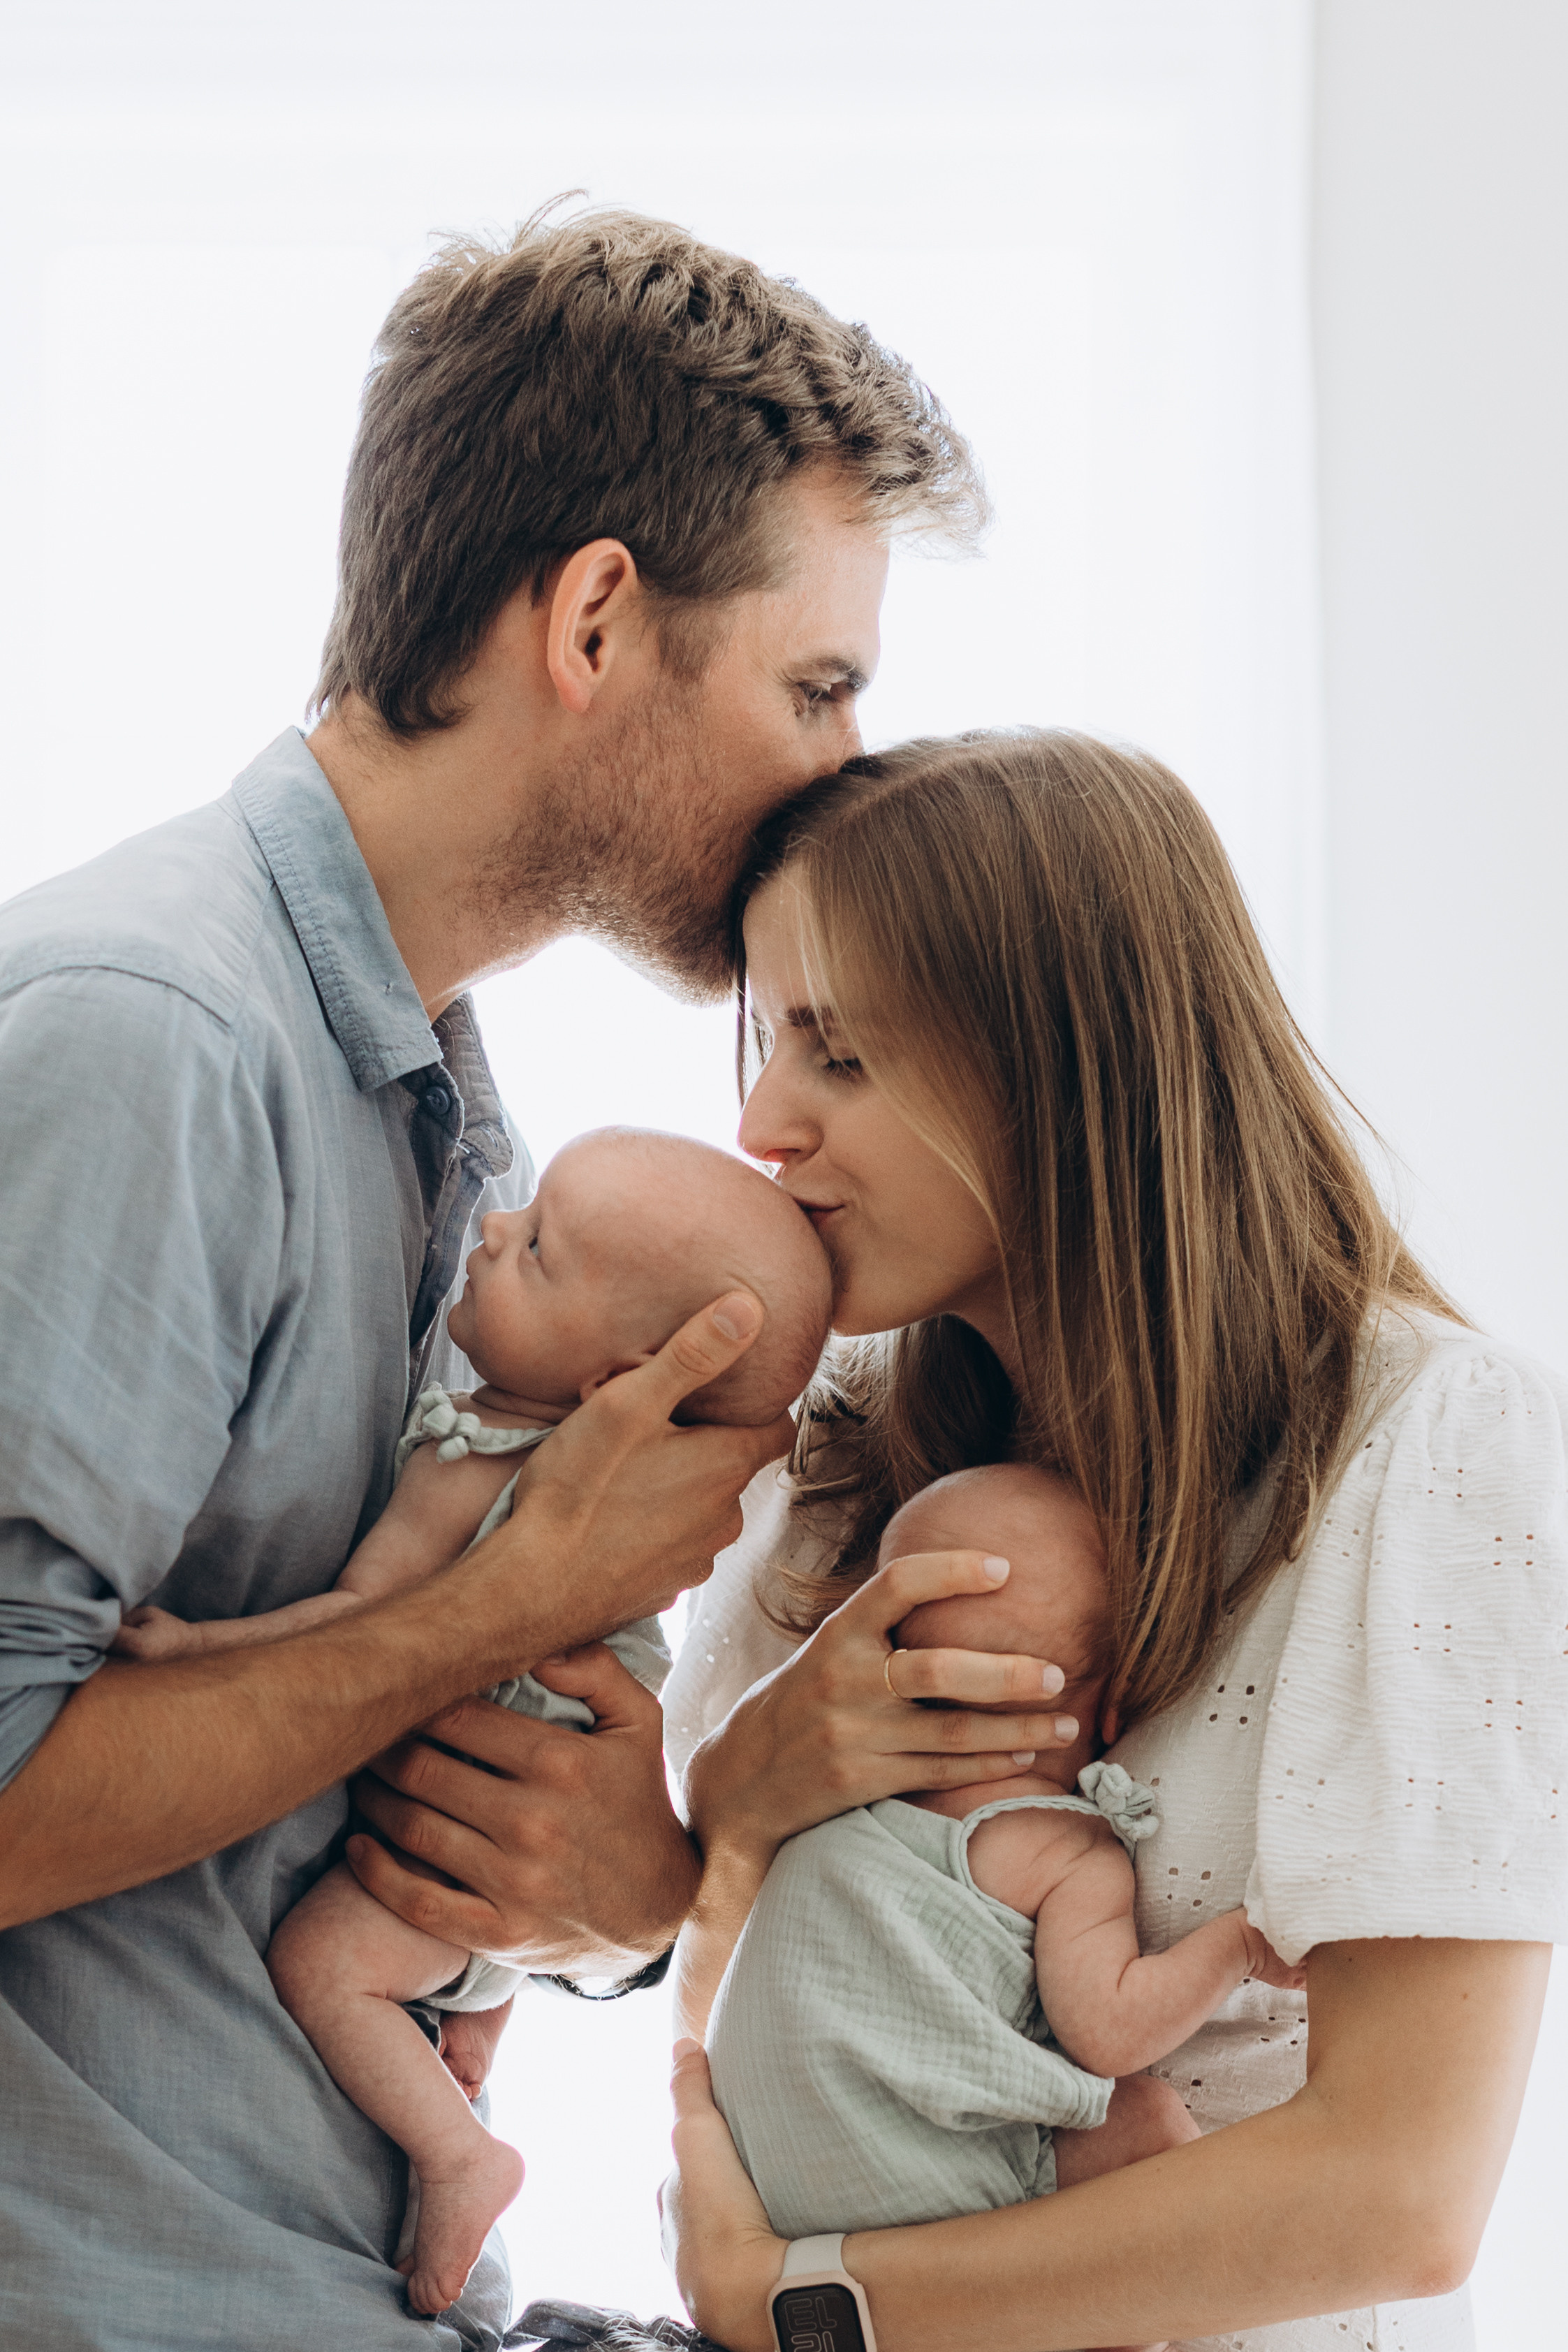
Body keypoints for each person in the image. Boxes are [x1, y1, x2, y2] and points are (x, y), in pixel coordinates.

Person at [0, 205, 1049, 2352]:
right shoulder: (152, 1039)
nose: (839, 769)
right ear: (594, 619)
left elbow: (395, 1808)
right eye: (814, 683)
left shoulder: (455, 1124)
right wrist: (494, 1600)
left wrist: (606, 1892)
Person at [659, 729, 1567, 2352]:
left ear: (1054, 1069)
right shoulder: (830, 1463)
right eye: (763, 1039)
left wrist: (809, 2306)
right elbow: (709, 2010)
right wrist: (737, 1803)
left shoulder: (1431, 1447)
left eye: (834, 1052)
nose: (760, 1123)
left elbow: (1395, 2195)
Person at [115, 1127, 833, 2318]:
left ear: (615, 1382)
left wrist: (192, 1651)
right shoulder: (614, 1496)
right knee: (453, 1959)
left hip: (465, 1853)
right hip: (522, 1875)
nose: (496, 1231)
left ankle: (462, 2154)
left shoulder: (478, 1456)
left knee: (324, 1965)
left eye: (536, 1250)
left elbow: (358, 1620)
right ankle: (477, 2028)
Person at [694, 1461, 1304, 2285]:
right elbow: (1109, 2032)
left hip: (762, 2187)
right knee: (1150, 2123)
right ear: (1116, 1705)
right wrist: (1236, 1945)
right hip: (926, 2205)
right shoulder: (1058, 1846)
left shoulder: (820, 1801)